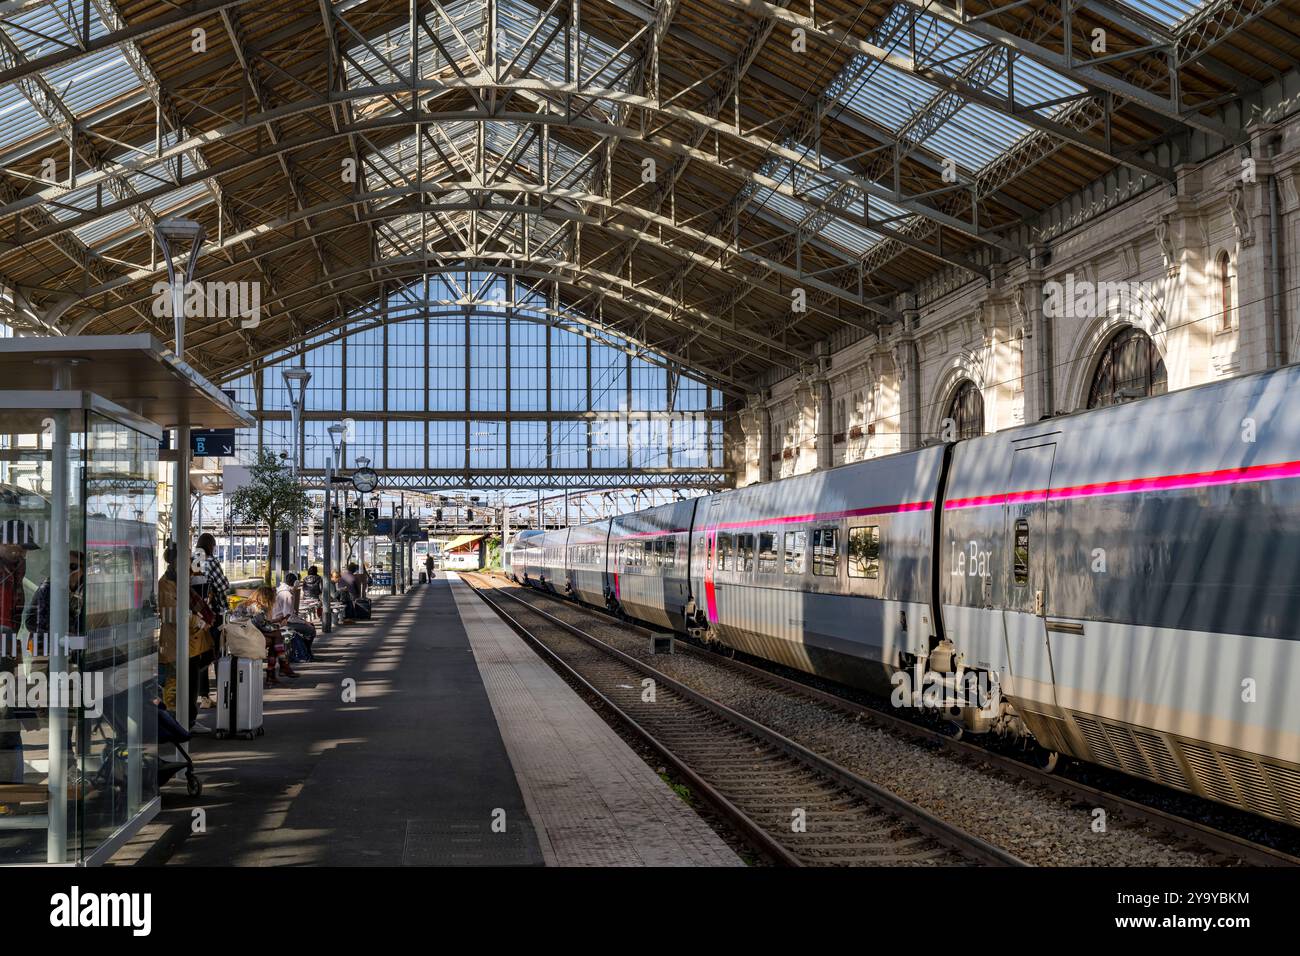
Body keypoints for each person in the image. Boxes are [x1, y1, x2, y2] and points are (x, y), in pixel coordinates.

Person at [156, 544, 214, 732]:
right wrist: (198, 621)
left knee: (190, 683)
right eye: (187, 559)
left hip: (191, 643)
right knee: (175, 685)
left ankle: (188, 721)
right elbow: (170, 614)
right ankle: (177, 725)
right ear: (174, 562)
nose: (191, 563)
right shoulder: (166, 584)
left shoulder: (184, 581)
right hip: (175, 644)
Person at [0, 520, 37, 786]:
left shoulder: (16, 568)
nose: (22, 553)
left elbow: (16, 613)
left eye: (24, 549)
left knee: (7, 718)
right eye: (17, 547)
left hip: (7, 649)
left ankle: (11, 784)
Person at [194, 533, 229, 708]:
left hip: (198, 616)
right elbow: (224, 586)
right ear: (211, 546)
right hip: (214, 614)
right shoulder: (211, 561)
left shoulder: (193, 561)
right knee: (216, 653)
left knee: (201, 654)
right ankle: (223, 691)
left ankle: (204, 696)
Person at [245, 585, 297, 688]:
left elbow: (260, 623)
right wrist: (278, 625)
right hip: (246, 635)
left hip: (247, 632)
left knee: (275, 640)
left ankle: (276, 671)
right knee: (277, 635)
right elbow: (263, 626)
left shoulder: (251, 604)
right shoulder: (258, 607)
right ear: (267, 598)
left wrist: (275, 621)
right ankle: (278, 669)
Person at [273, 573, 316, 662]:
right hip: (282, 622)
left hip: (280, 621)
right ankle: (304, 653)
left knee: (308, 626)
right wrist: (304, 622)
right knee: (311, 629)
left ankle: (305, 652)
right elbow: (289, 617)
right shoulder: (288, 594)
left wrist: (302, 621)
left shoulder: (281, 591)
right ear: (296, 583)